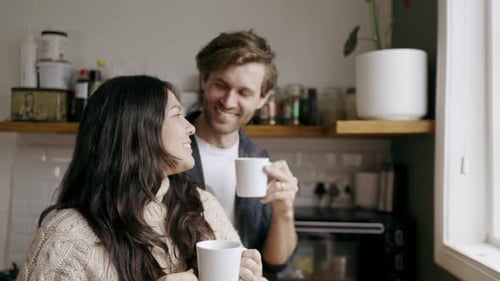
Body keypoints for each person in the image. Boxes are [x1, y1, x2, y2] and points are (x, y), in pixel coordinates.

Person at [16, 75, 264, 281]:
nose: (191, 128)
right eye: (177, 114)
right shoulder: (69, 236)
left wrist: (251, 275)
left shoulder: (201, 205)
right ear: (139, 129)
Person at [186, 30, 298, 277]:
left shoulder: (258, 159)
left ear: (262, 98)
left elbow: (275, 262)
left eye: (244, 92)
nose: (228, 101)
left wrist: (284, 211)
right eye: (220, 85)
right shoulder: (165, 148)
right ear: (204, 80)